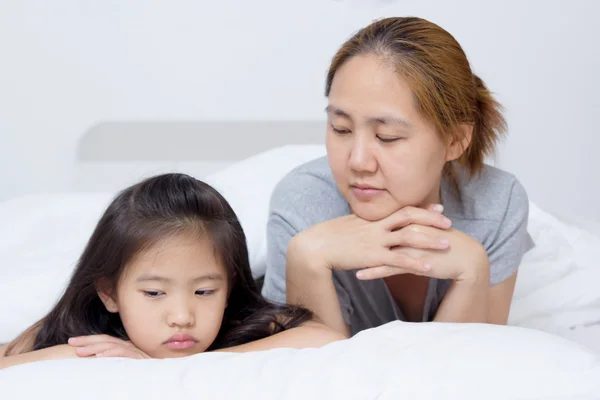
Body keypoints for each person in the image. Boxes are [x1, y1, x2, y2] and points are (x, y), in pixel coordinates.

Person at [262, 16, 534, 337]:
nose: (358, 161)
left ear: (455, 141)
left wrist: (473, 268)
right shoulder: (302, 203)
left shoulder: (495, 205)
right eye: (341, 129)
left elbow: (468, 372)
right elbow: (313, 376)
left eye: (387, 136)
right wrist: (306, 259)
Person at [1, 173, 344, 369]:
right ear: (109, 293)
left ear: (229, 288)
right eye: (154, 293)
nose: (182, 317)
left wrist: (173, 365)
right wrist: (75, 354)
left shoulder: (242, 327)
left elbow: (326, 338)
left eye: (204, 291)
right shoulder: (82, 331)